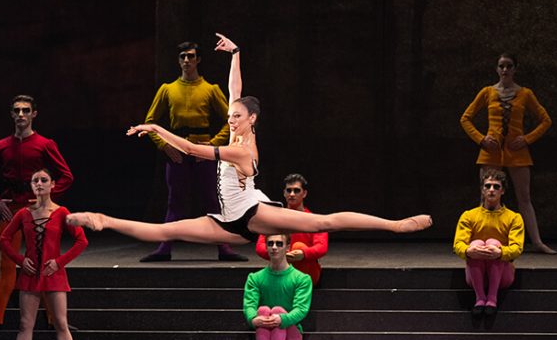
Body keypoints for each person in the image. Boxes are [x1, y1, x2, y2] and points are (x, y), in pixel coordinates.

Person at [67, 34, 433, 242]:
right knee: (166, 231)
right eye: (230, 116)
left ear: (251, 120)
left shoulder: (242, 151)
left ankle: (393, 224)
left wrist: (157, 128)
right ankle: (103, 219)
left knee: (324, 222)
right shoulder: (239, 129)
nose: (230, 118)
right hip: (229, 220)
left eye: (236, 117)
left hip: (254, 213)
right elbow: (235, 91)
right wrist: (237, 54)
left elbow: (194, 149)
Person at [140, 41, 247, 262]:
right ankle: (165, 247)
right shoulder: (167, 89)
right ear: (178, 60)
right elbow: (150, 122)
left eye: (190, 56)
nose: (186, 60)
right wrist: (165, 145)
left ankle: (224, 247)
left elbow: (231, 119)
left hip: (203, 154)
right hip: (177, 151)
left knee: (212, 200)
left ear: (198, 59)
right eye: (182, 56)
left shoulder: (210, 89)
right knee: (174, 202)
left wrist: (213, 145)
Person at [0, 95, 74, 327]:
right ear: (12, 114)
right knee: (7, 261)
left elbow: (66, 176)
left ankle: (52, 317)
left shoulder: (44, 144)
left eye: (26, 110)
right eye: (17, 110)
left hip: (36, 210)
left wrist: (45, 198)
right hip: (11, 209)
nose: (21, 114)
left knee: (42, 260)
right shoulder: (1, 146)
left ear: (34, 114)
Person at [0, 169, 92, 340]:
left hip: (53, 274)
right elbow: (4, 240)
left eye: (43, 180)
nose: (38, 183)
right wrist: (20, 260)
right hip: (30, 275)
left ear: (52, 184)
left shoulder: (62, 212)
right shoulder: (24, 214)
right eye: (35, 180)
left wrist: (59, 262)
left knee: (61, 323)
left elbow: (81, 241)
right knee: (25, 324)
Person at [460, 52, 554, 254]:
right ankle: (478, 243)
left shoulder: (525, 94)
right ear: (496, 68)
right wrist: (481, 139)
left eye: (509, 66)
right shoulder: (487, 92)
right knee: (486, 197)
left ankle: (537, 242)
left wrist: (526, 139)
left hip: (517, 152)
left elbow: (546, 120)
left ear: (515, 69)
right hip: (491, 152)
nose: (505, 70)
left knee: (524, 197)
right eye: (501, 66)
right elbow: (465, 118)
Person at [453, 170, 524, 316]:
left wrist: (500, 252)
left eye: (496, 187)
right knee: (477, 243)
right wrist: (468, 251)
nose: (491, 190)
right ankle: (480, 298)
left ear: (502, 191)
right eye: (488, 186)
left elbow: (517, 247)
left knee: (493, 242)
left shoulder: (514, 217)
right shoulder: (469, 215)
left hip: (502, 275)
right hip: (475, 276)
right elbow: (458, 244)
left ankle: (492, 298)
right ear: (482, 189)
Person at [244, 234, 313, 340]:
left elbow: (301, 309)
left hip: (290, 339)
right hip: (265, 336)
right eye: (270, 243)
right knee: (263, 310)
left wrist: (282, 319)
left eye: (279, 244)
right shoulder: (255, 278)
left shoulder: (301, 279)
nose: (274, 247)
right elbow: (249, 304)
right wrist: (253, 319)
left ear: (288, 247)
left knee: (277, 311)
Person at [255, 174, 328, 284]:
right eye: (289, 190)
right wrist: (280, 252)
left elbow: (322, 247)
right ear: (284, 193)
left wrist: (303, 253)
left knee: (298, 246)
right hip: (282, 269)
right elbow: (260, 247)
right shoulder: (274, 219)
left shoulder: (314, 219)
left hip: (307, 273)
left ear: (304, 193)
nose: (292, 194)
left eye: (296, 191)